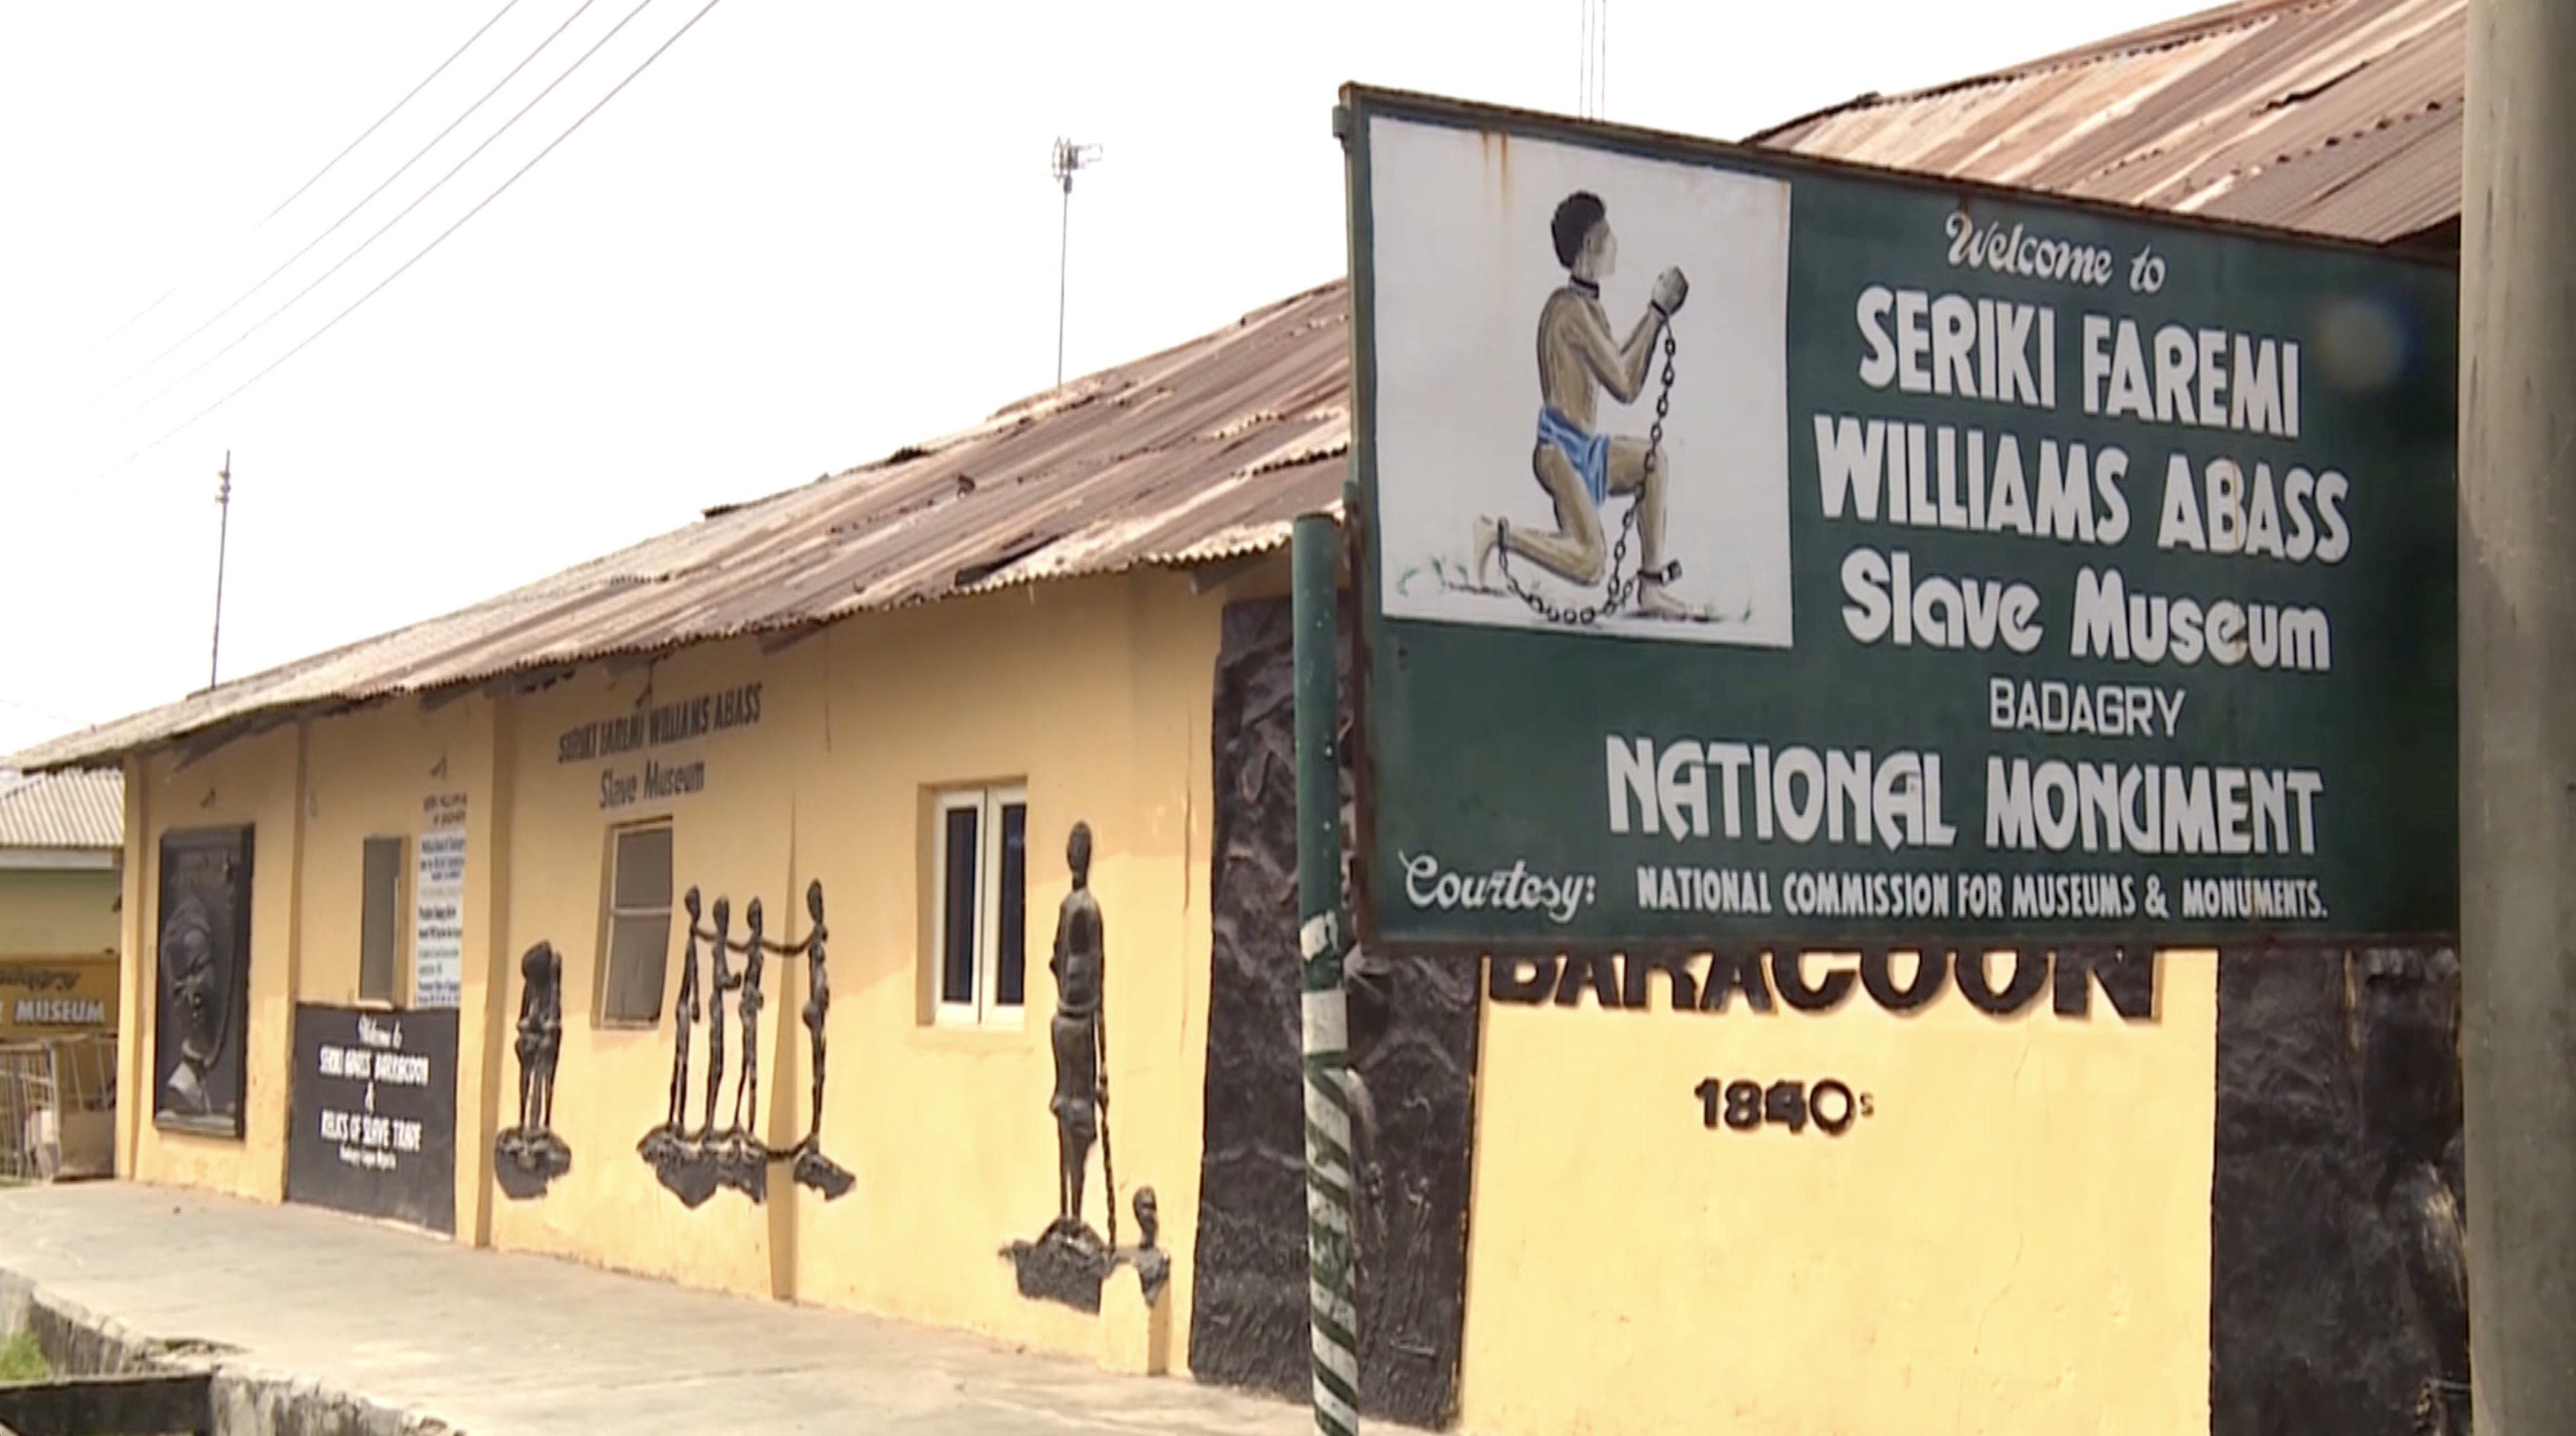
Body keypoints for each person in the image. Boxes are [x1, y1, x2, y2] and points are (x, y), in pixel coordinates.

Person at [1472, 190, 1691, 619]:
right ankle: (1498, 535)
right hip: (1561, 452)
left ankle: (1649, 585)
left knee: (1653, 461)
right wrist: (1655, 312)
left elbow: (1618, 364)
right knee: (1591, 562)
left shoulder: (1590, 307)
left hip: (1588, 449)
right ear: (1591, 244)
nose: (1615, 244)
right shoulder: (1568, 311)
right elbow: (1626, 383)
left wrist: (1654, 319)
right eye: (1608, 235)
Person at [1048, 822, 1106, 1236]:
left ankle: (1076, 1210)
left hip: (1075, 1017)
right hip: (1071, 1019)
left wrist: (1103, 1058)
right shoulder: (1075, 908)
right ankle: (1069, 1210)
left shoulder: (1081, 908)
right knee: (1068, 1110)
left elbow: (1083, 968)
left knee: (1075, 1114)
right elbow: (1062, 959)